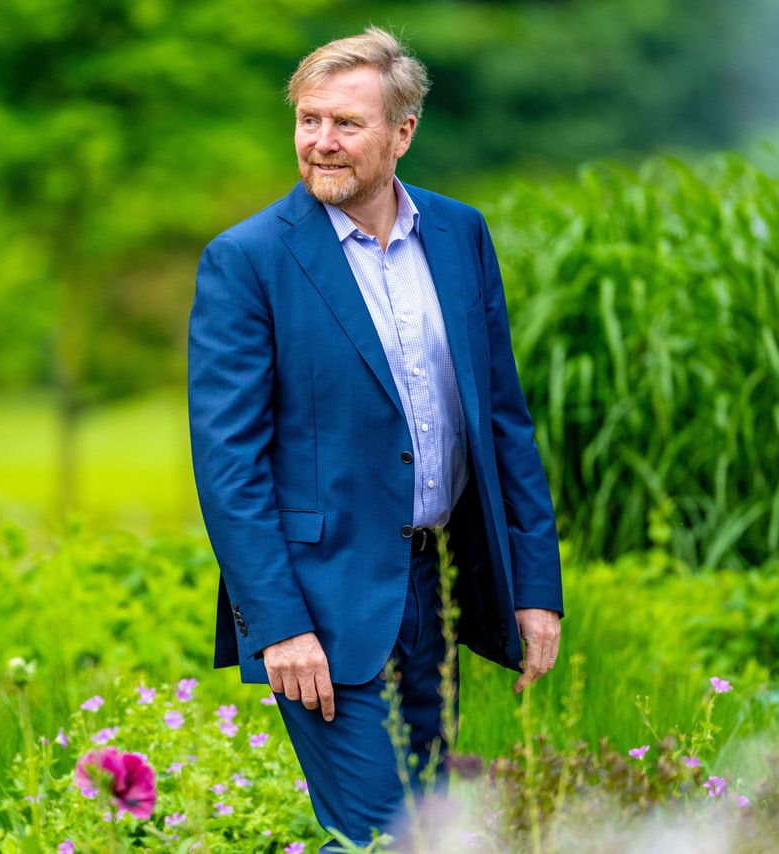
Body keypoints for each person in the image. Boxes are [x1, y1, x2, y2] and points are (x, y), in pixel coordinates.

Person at [187, 27, 563, 847]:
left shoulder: (460, 236)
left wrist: (534, 586)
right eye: (308, 119)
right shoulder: (245, 261)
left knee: (426, 827)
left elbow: (502, 419)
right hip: (321, 610)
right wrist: (278, 621)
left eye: (346, 124)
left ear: (403, 132)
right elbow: (229, 467)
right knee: (384, 835)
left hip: (440, 590)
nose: (321, 142)